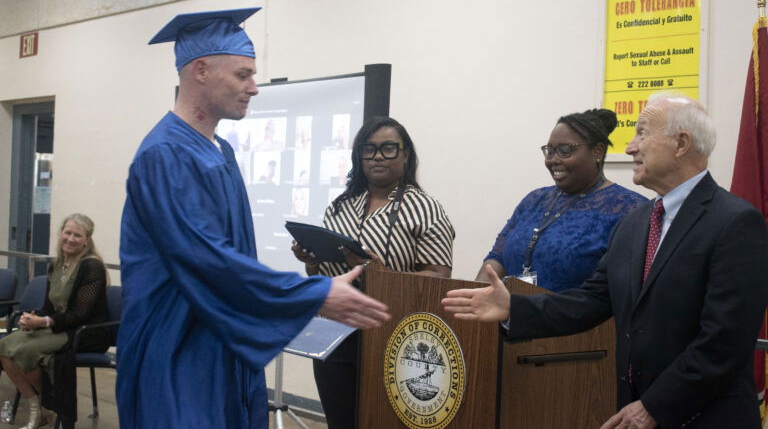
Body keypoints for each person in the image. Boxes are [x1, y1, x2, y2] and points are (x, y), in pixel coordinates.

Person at [117, 7, 389, 429]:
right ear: (201, 70)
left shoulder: (219, 152)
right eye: (243, 75)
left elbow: (228, 255)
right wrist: (310, 294)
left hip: (221, 343)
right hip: (176, 349)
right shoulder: (165, 155)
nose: (254, 88)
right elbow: (205, 260)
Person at [443, 95, 768, 429]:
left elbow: (724, 341)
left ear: (681, 143)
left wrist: (654, 407)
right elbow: (592, 300)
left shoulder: (735, 222)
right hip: (631, 414)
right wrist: (514, 308)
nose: (629, 148)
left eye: (642, 134)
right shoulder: (636, 222)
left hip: (703, 418)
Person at [292, 115, 455, 428]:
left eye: (389, 148)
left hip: (394, 335)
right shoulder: (340, 206)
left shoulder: (425, 208)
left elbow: (440, 278)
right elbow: (325, 276)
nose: (378, 156)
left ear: (406, 154)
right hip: (335, 333)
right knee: (341, 420)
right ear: (359, 156)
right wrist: (311, 262)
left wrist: (380, 274)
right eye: (369, 149)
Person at [477, 108, 646, 291]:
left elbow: (624, 289)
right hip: (511, 317)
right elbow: (497, 256)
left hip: (577, 318)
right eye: (550, 151)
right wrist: (470, 305)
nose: (553, 160)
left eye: (565, 151)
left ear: (597, 151)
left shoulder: (630, 209)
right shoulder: (534, 200)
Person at [0, 214, 109, 429]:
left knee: (26, 351)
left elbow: (80, 314)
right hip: (58, 325)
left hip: (83, 331)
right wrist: (31, 317)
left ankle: (51, 407)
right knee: (4, 346)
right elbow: (49, 307)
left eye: (77, 235)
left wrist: (43, 322)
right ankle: (37, 408)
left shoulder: (92, 267)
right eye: (67, 233)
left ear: (87, 240)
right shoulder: (57, 264)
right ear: (60, 234)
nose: (70, 238)